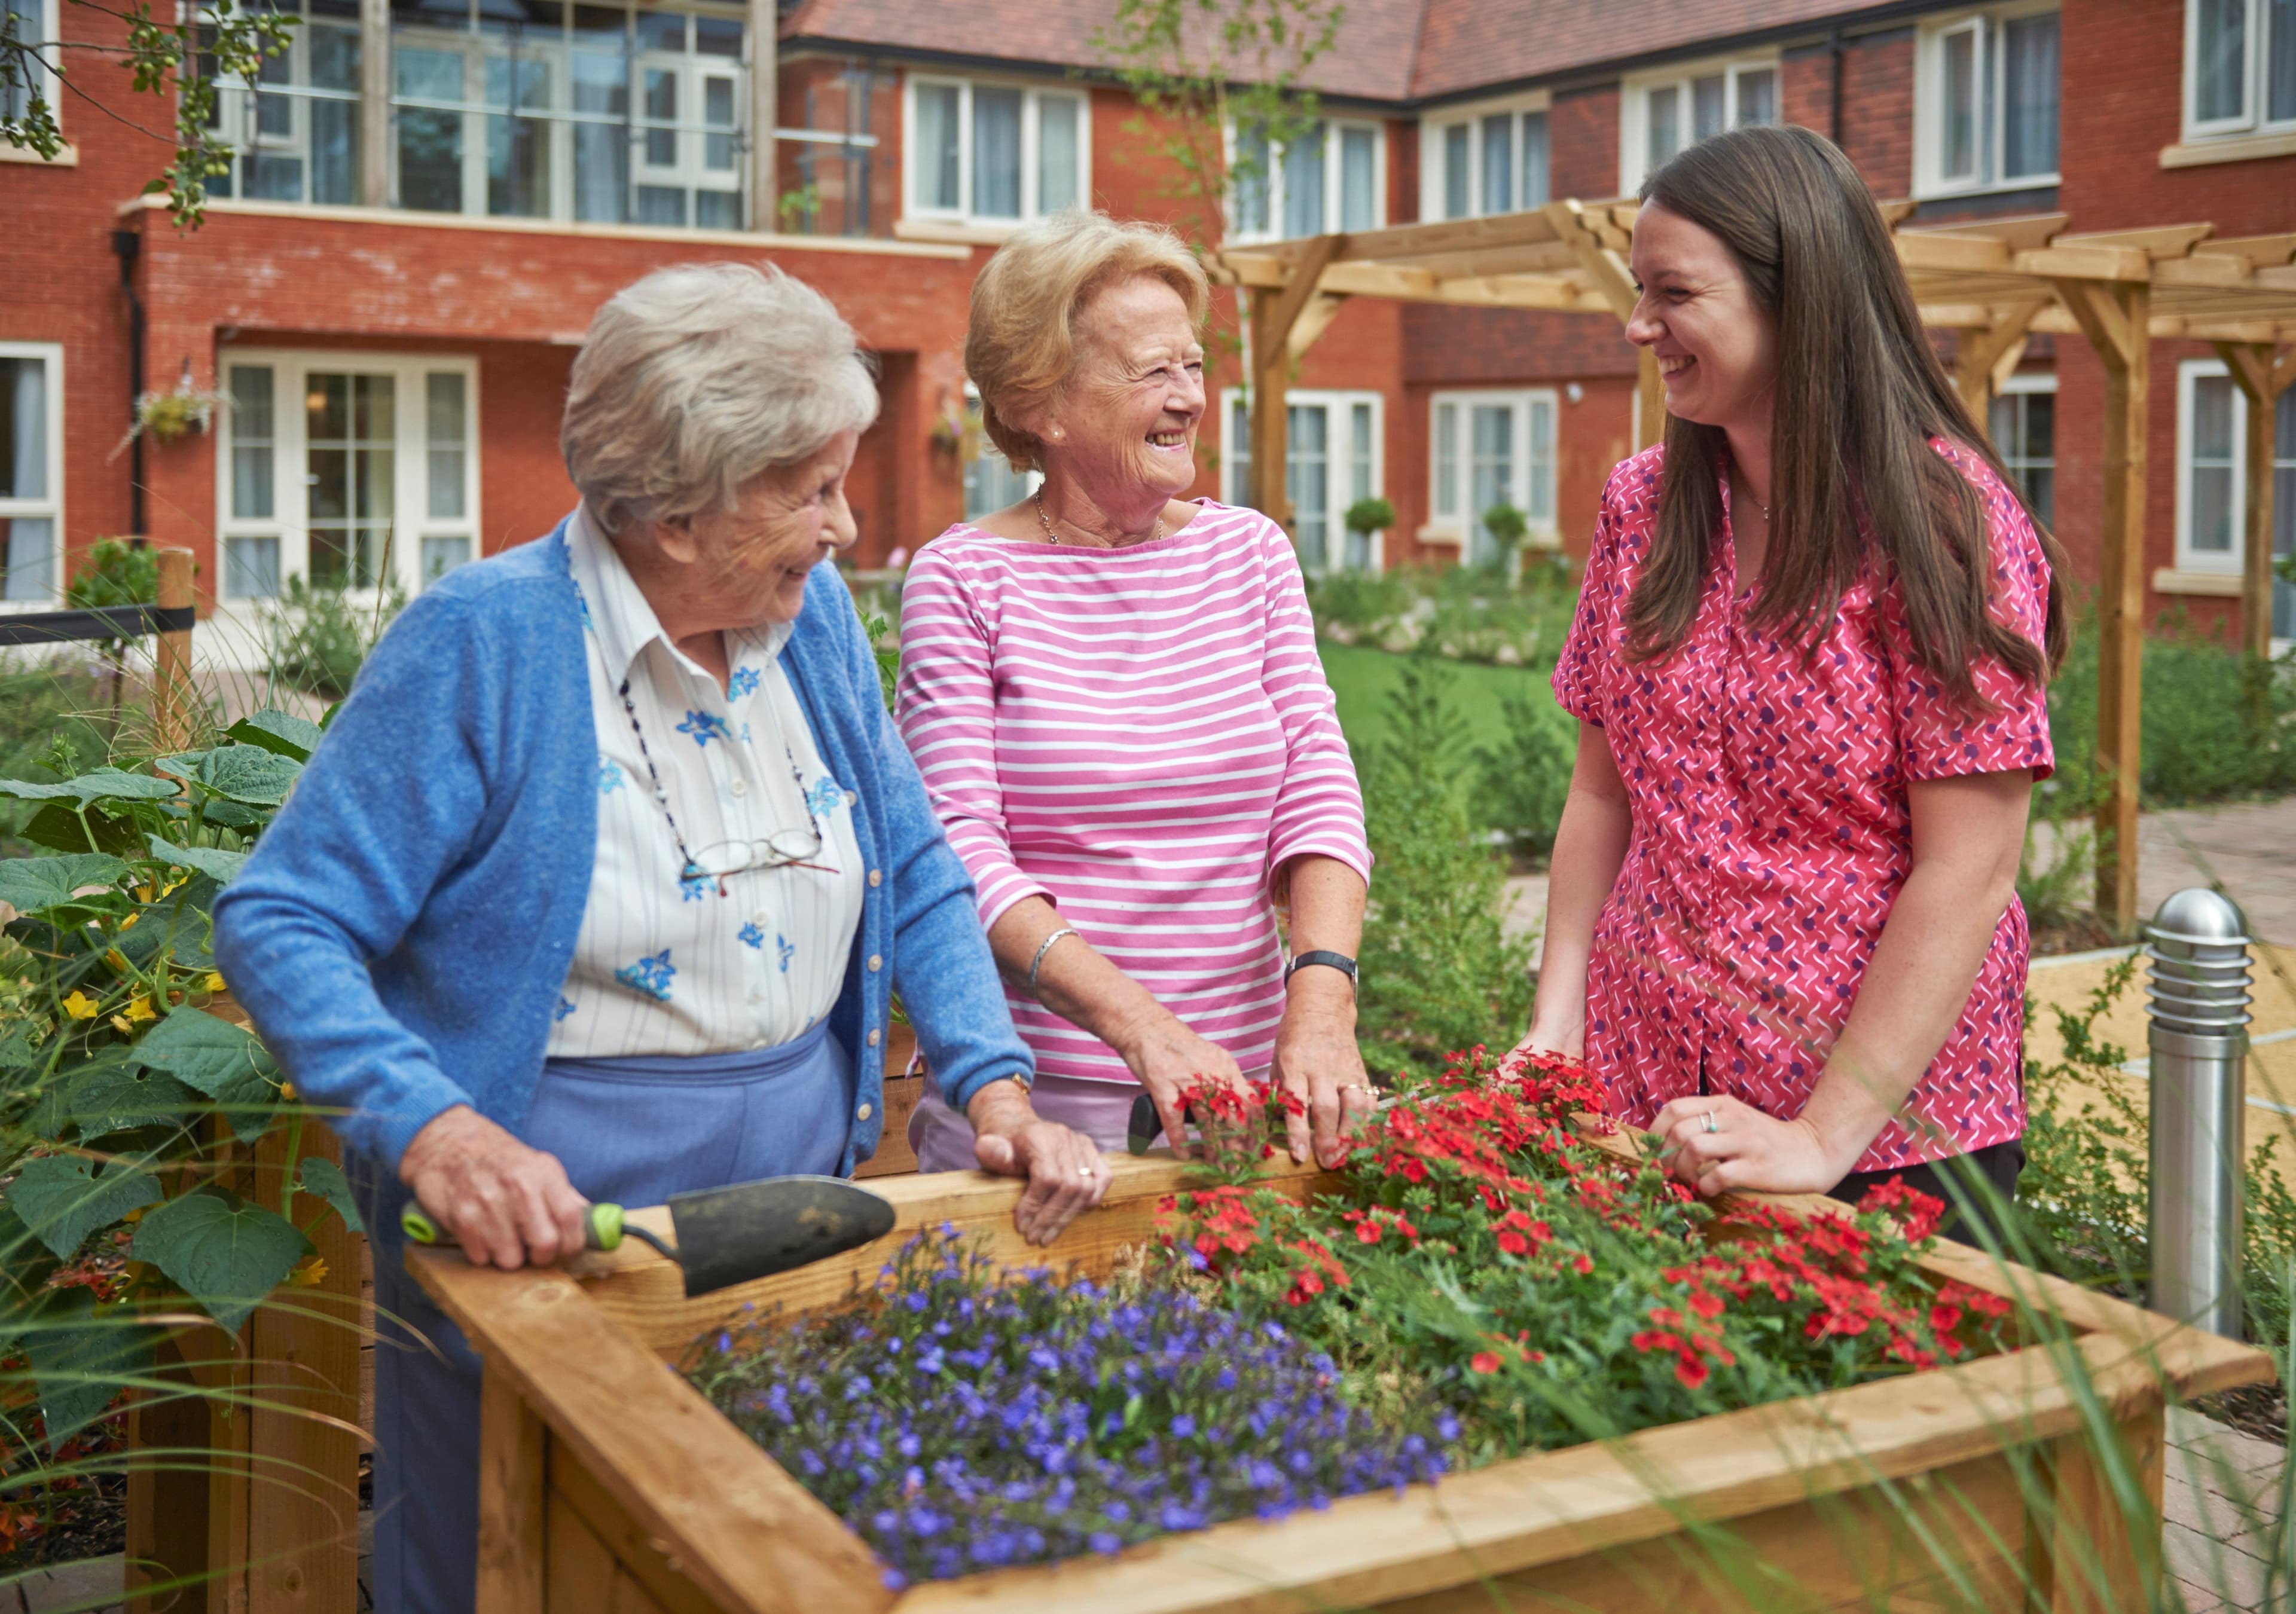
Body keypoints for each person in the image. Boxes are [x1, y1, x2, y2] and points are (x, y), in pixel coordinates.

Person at [212, 263, 1106, 1614]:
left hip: (792, 1205)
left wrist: (995, 1085)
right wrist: (440, 1132)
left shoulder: (808, 636)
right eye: (811, 490)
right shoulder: (487, 644)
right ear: (679, 510)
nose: (847, 526)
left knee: (729, 1557)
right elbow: (282, 918)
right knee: (498, 1562)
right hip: (538, 1225)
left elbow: (913, 864)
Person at [1515, 126, 2066, 1238]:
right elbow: (1602, 794)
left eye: (1674, 293)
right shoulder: (1642, 504)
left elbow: (1972, 866)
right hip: (1649, 1097)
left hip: (1890, 1137)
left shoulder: (1944, 524)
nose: (1638, 328)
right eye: (1638, 290)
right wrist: (1555, 1026)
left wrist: (1822, 1136)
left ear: (1795, 298)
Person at [897, 211, 1374, 1173]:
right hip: (1046, 1106)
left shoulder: (1251, 554)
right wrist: (1143, 1027)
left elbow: (1317, 785)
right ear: (1043, 404)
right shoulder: (963, 580)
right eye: (1154, 372)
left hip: (1245, 1094)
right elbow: (959, 853)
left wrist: (1322, 999)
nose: (1190, 399)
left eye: (1193, 367)